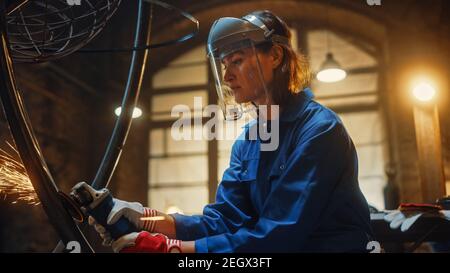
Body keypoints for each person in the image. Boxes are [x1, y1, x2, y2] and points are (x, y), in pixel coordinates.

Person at [89, 10, 374, 253]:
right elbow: (224, 221)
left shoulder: (319, 130)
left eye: (236, 61)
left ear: (274, 56)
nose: (227, 76)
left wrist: (172, 248)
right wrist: (147, 218)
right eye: (225, 65)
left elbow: (280, 234)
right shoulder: (249, 141)